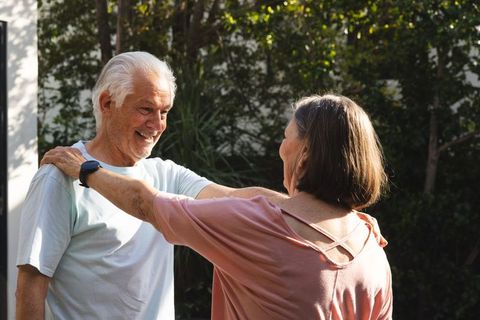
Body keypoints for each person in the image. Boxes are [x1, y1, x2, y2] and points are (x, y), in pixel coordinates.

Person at [43, 94, 393, 319]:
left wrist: (86, 169)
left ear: (304, 155)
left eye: (286, 138)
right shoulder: (371, 249)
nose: (280, 148)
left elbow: (145, 203)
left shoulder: (256, 226)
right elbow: (257, 198)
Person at [15, 51, 282, 320]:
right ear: (107, 103)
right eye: (146, 109)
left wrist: (303, 206)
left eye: (164, 112)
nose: (157, 125)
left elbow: (238, 199)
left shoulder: (165, 175)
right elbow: (30, 286)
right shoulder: (59, 175)